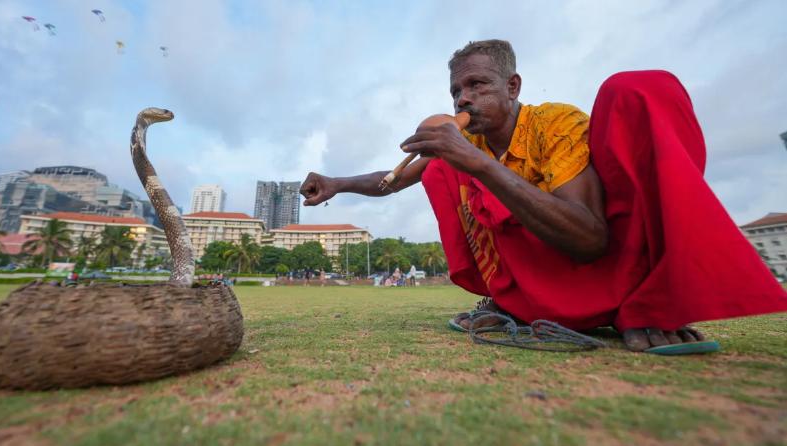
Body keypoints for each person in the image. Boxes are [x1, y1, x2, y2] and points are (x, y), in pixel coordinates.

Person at [300, 39, 787, 352]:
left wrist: (480, 166)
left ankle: (650, 302)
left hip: (600, 266)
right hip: (536, 285)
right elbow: (394, 180)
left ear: (512, 87)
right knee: (439, 174)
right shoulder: (467, 143)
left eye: (477, 85)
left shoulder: (556, 123)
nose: (463, 100)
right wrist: (337, 184)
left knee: (634, 91)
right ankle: (511, 301)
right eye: (456, 92)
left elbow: (591, 239)